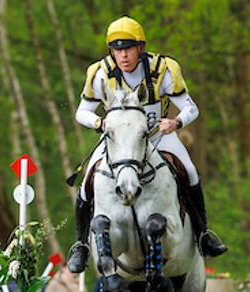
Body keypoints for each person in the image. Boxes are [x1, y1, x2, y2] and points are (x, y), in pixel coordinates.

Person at [67, 16, 227, 273]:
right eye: (117, 50)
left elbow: (191, 108)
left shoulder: (163, 69)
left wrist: (175, 122)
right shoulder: (99, 73)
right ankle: (81, 245)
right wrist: (99, 123)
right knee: (87, 181)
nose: (123, 55)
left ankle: (203, 235)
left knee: (191, 171)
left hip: (157, 137)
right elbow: (81, 112)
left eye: (128, 48)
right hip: (118, 141)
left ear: (141, 48)